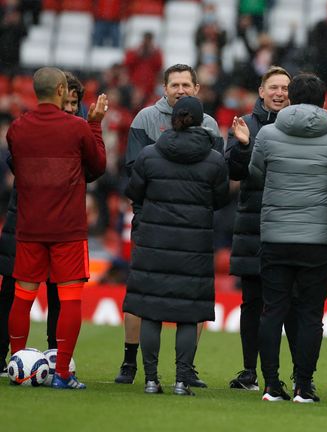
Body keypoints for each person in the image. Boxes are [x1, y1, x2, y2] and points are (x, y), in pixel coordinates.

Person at [116, 64, 223, 386]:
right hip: (181, 228)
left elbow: (135, 179)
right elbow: (216, 187)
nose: (180, 89)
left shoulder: (208, 126)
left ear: (196, 88)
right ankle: (131, 361)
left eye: (185, 84)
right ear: (164, 88)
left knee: (147, 298)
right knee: (190, 303)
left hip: (157, 226)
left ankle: (160, 373)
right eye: (174, 84)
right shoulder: (145, 118)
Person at [245, 73, 327, 403]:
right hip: (318, 237)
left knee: (272, 310)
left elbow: (256, 175)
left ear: (290, 97)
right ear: (323, 101)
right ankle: (304, 385)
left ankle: (271, 385)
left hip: (276, 234)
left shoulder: (269, 135)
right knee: (310, 315)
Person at [6, 67, 106, 389]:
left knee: (22, 297)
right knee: (70, 299)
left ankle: (18, 365)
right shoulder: (77, 128)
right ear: (62, 89)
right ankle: (62, 373)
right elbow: (98, 166)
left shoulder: (17, 128)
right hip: (67, 228)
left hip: (30, 226)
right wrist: (95, 125)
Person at [226, 66, 291, 391]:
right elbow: (235, 172)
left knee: (287, 304)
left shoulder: (298, 128)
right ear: (261, 91)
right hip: (253, 226)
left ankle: (291, 374)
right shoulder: (243, 125)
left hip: (289, 225)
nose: (280, 93)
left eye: (285, 88)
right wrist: (242, 146)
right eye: (274, 87)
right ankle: (249, 370)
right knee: (252, 303)